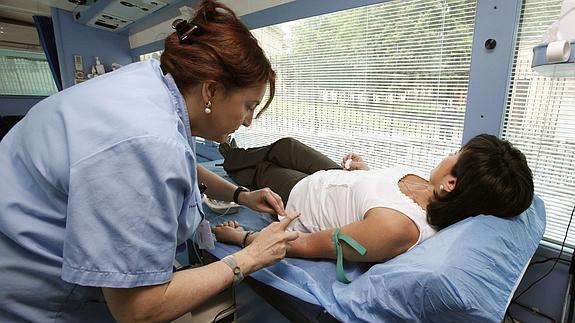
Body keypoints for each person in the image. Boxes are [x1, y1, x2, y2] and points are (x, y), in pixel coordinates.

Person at [0, 1, 300, 322]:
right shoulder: (148, 139)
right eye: (248, 106)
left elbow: (181, 165)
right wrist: (251, 257)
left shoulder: (152, 84)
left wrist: (240, 195)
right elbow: (139, 310)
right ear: (211, 90)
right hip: (38, 297)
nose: (248, 122)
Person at [213, 135, 534, 281]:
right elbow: (383, 196)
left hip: (300, 197)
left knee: (264, 170)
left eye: (456, 153)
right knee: (287, 146)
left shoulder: (396, 229)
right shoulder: (429, 187)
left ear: (451, 183)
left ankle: (229, 156)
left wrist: (243, 241)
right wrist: (366, 172)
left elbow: (306, 245)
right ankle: (234, 150)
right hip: (337, 179)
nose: (450, 152)